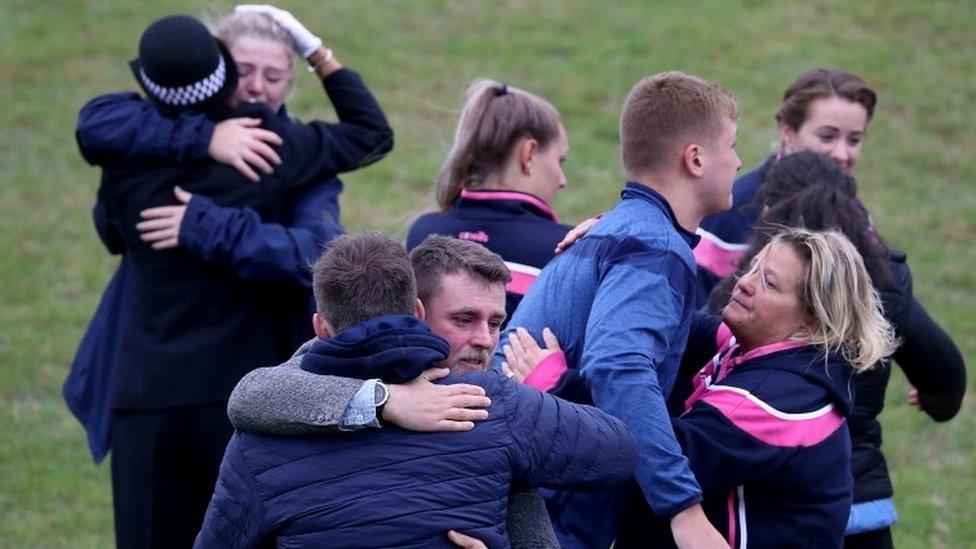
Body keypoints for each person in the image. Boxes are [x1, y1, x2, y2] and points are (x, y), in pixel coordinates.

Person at [83, 13, 392, 547]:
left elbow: (110, 221)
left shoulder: (130, 151)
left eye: (273, 76)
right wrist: (205, 138)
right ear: (220, 67)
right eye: (245, 70)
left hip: (159, 392)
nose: (256, 87)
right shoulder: (283, 148)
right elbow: (371, 134)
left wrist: (206, 222)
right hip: (236, 392)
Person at [194, 232, 639, 547]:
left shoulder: (261, 437)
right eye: (464, 320)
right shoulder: (490, 403)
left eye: (496, 323)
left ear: (321, 328)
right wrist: (549, 383)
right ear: (418, 312)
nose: (485, 339)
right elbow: (621, 452)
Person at [491, 71, 741, 547]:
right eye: (731, 145)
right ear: (696, 158)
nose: (738, 161)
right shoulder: (653, 248)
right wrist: (684, 510)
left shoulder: (624, 234)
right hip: (548, 521)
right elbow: (619, 366)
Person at [706, 152, 966, 548]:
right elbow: (945, 369)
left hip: (766, 504)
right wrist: (938, 401)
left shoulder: (748, 291)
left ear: (769, 209)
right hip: (859, 501)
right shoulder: (883, 281)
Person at [617, 228, 896, 547]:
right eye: (753, 269)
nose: (745, 283)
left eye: (769, 284)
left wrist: (556, 382)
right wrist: (621, 242)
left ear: (812, 321)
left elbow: (643, 457)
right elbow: (678, 324)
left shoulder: (773, 404)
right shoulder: (766, 351)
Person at [694, 68, 877, 304]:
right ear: (788, 131)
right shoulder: (728, 214)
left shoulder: (857, 215)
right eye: (827, 136)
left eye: (854, 140)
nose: (842, 154)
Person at [406, 79, 573, 320]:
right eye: (560, 160)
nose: (562, 179)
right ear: (529, 154)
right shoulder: (565, 248)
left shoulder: (423, 231)